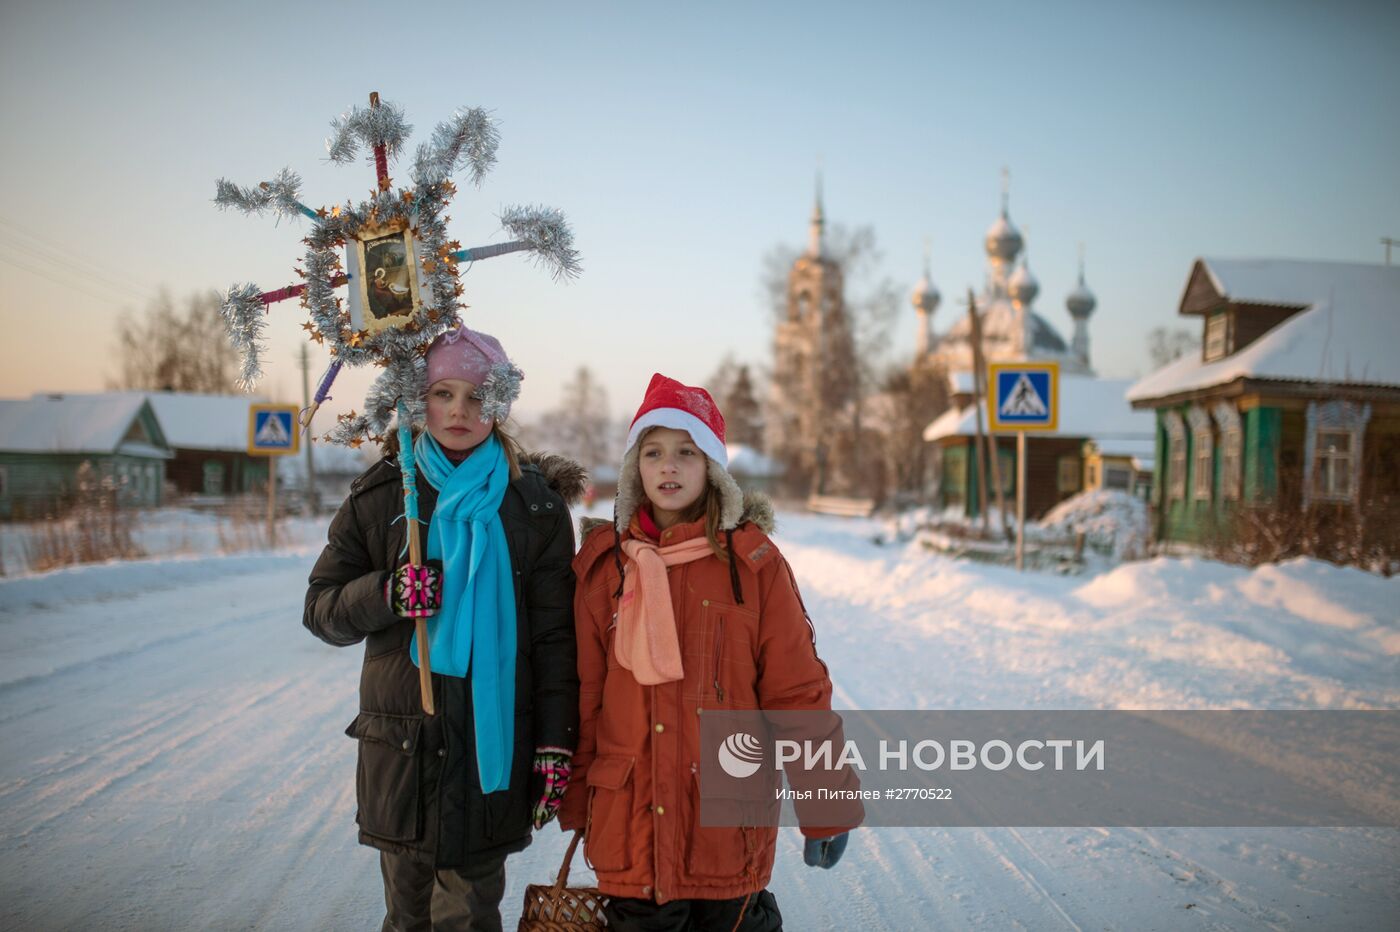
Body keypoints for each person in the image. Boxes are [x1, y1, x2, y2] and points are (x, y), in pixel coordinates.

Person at [304, 324, 583, 932]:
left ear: (500, 406)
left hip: (492, 749)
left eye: (478, 397)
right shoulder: (384, 497)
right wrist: (388, 593)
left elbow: (556, 637)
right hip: (404, 753)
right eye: (444, 393)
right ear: (417, 399)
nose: (459, 410)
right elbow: (321, 607)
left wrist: (556, 740)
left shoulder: (532, 506)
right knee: (406, 918)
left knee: (470, 916)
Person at [559, 374, 861, 932]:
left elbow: (797, 693)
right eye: (653, 452)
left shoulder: (754, 567)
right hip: (630, 825)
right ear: (635, 469)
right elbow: (588, 696)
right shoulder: (606, 568)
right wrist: (579, 799)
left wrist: (826, 805)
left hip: (726, 829)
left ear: (712, 469)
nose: (667, 466)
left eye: (685, 452)